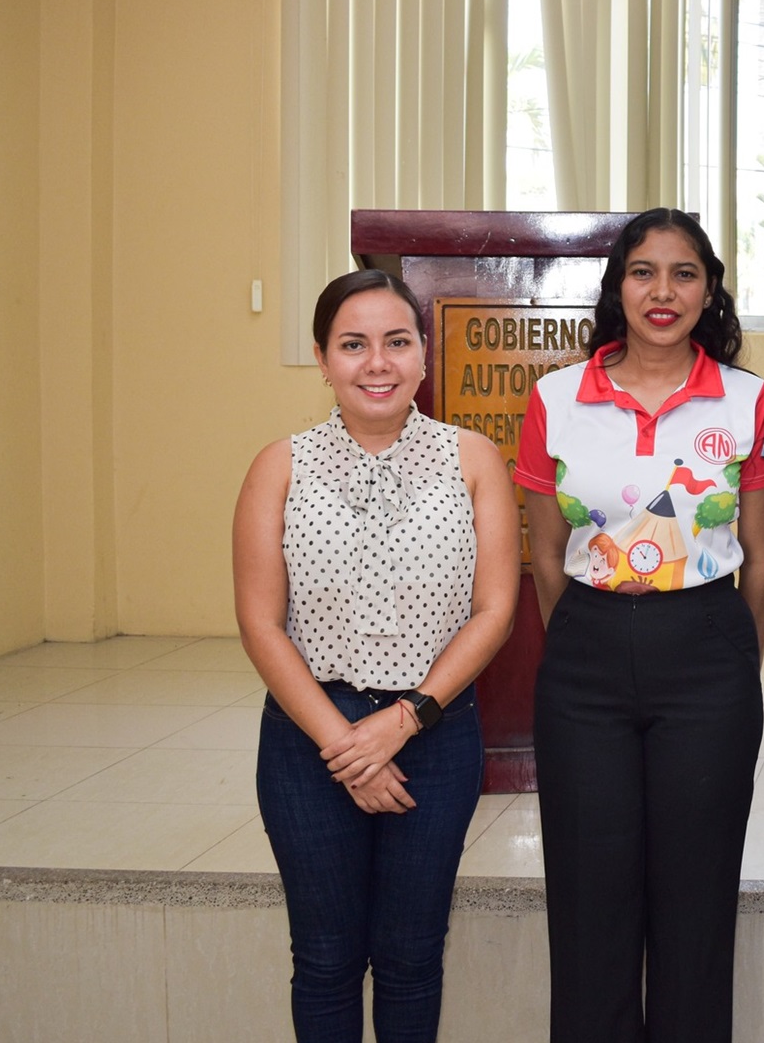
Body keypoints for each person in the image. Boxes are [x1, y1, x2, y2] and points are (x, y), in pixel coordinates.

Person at [233, 269, 519, 1043]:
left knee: (411, 959)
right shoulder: (279, 467)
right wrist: (346, 746)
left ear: (424, 354)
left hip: (435, 730)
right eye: (353, 345)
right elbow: (260, 623)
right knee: (325, 960)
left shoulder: (472, 460)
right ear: (322, 359)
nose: (378, 363)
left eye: (396, 342)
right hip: (308, 738)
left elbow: (495, 611)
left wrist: (404, 721)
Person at [514, 207, 764, 1042]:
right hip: (584, 663)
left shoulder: (747, 400)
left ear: (709, 291)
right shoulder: (556, 398)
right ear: (617, 288)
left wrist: (730, 657)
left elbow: (761, 558)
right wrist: (587, 637)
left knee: (697, 899)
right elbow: (546, 554)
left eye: (684, 273)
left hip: (708, 657)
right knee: (588, 893)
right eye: (643, 272)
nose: (663, 292)